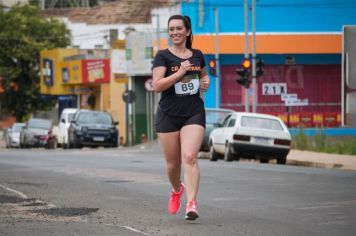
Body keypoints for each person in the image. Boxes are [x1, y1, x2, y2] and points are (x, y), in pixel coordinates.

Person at [152, 14, 210, 220]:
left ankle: (192, 204)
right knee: (172, 164)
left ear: (187, 31)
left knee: (190, 158)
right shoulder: (162, 56)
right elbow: (157, 85)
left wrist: (205, 82)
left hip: (193, 112)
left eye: (179, 28)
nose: (175, 32)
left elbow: (203, 75)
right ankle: (177, 189)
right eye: (171, 29)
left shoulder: (197, 54)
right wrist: (179, 73)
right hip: (168, 114)